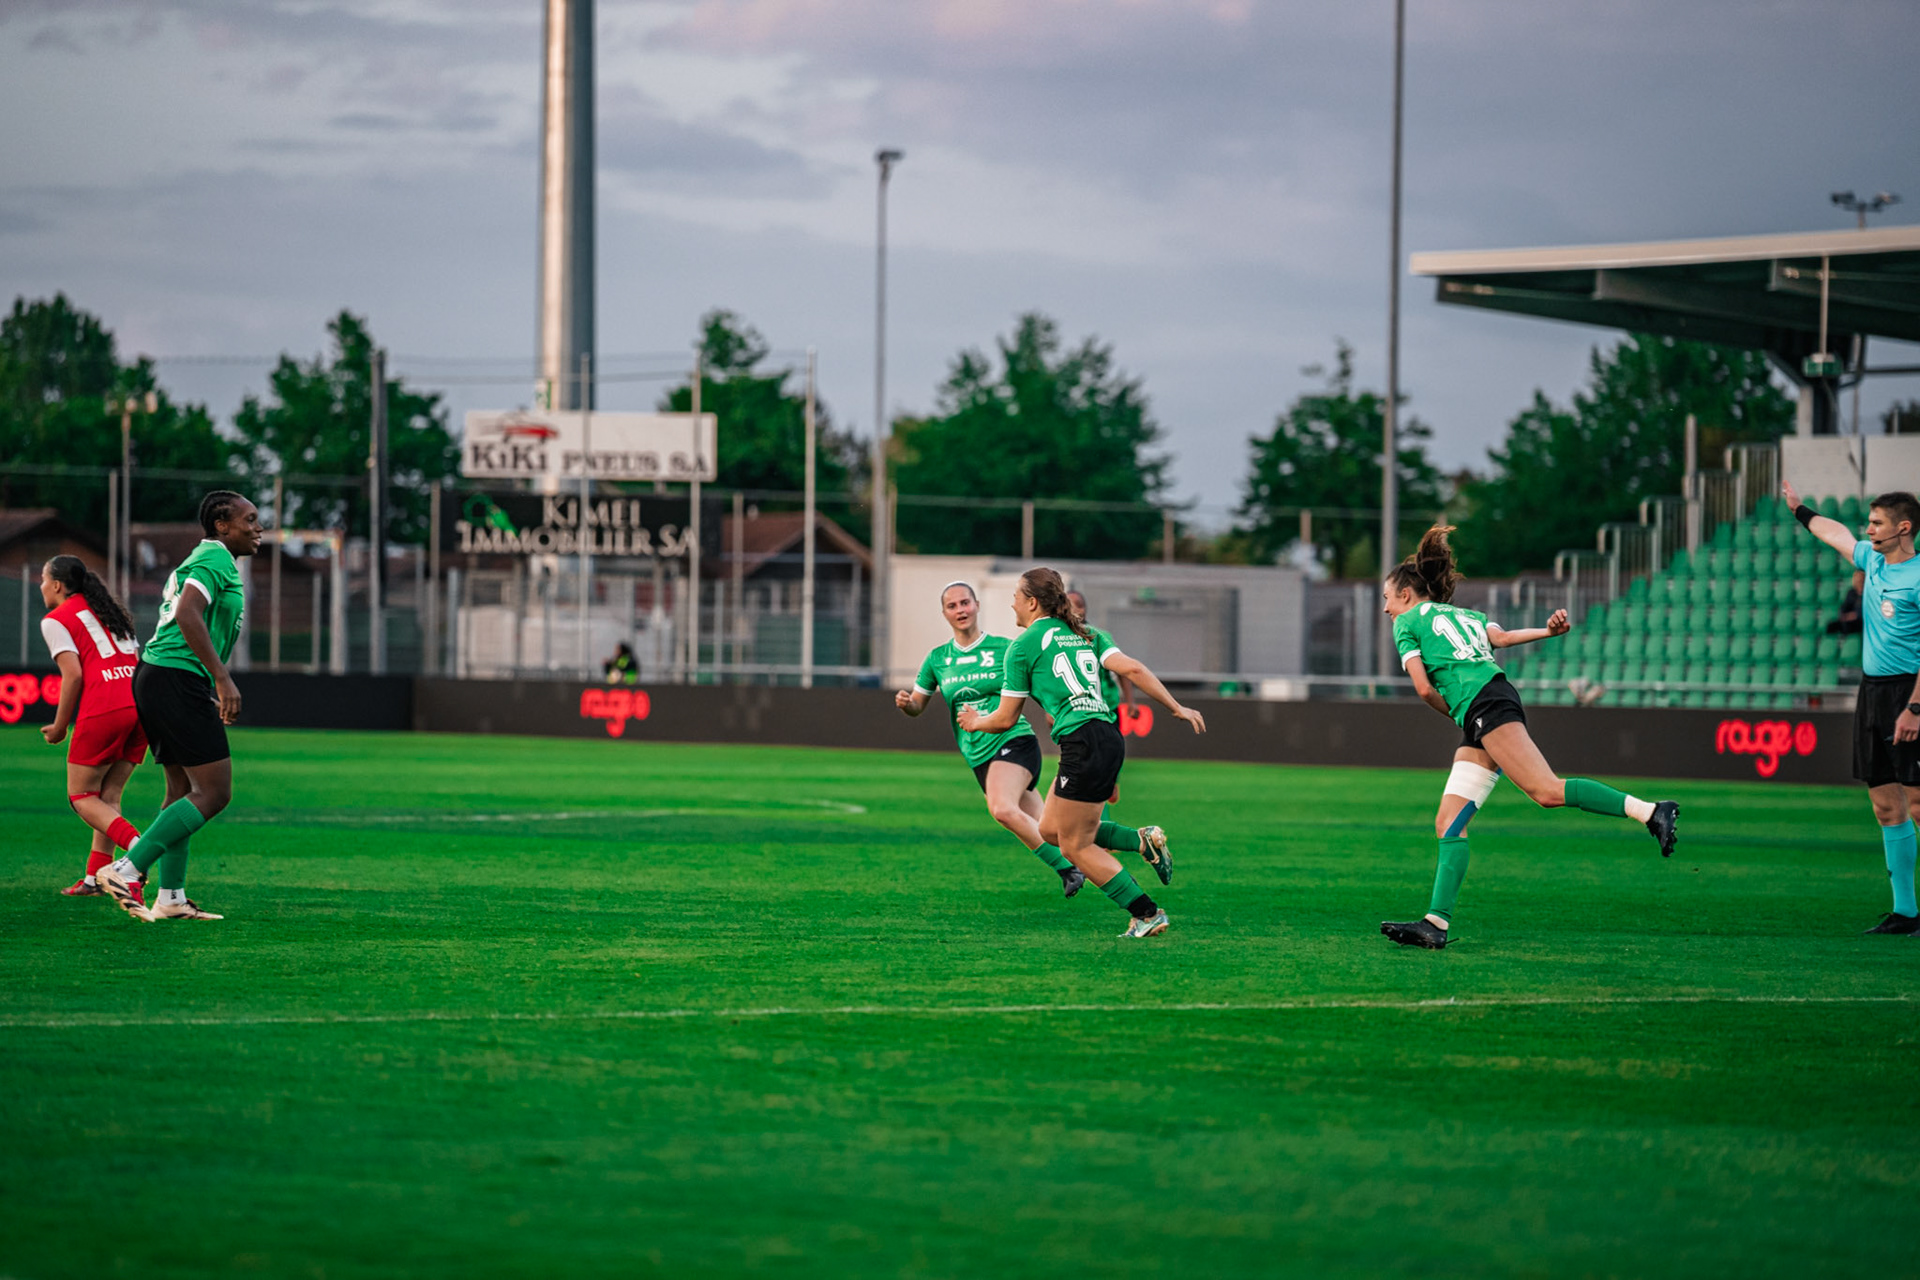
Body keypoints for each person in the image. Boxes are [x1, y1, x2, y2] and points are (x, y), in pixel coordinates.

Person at [1379, 525, 1679, 950]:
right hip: (1490, 703)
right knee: (1449, 821)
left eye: (1388, 598)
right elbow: (1500, 638)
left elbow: (1425, 689)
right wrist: (1547, 632)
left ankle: (1650, 811)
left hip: (1483, 707)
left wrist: (1462, 714)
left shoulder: (1407, 623)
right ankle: (1435, 924)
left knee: (1546, 791)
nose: (1386, 608)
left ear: (1406, 595)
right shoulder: (1464, 615)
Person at [959, 567, 1205, 938]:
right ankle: (1142, 840)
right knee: (1049, 829)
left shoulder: (1022, 647)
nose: (1012, 602)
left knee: (1076, 846)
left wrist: (976, 722)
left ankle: (1147, 913)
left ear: (1031, 601)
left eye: (1015, 595)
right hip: (1107, 735)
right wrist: (1175, 707)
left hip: (1082, 742)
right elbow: (1133, 668)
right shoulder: (1088, 634)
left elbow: (1006, 718)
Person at [96, 490, 263, 923]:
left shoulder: (210, 557)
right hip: (173, 675)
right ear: (222, 526)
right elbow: (188, 613)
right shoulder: (215, 558)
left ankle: (170, 897)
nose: (258, 527)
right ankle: (126, 869)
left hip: (165, 675)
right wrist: (222, 678)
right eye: (250, 518)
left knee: (180, 791)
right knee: (215, 791)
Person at [1782, 482, 1920, 934]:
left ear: (1903, 528)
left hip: (1911, 696)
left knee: (1919, 803)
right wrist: (1801, 510)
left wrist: (1914, 710)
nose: (1868, 530)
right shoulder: (1872, 559)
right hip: (1873, 693)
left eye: (1876, 523)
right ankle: (1905, 913)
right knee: (1886, 806)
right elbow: (1834, 533)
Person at [38, 555, 148, 903]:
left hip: (106, 708)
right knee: (108, 797)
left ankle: (140, 853)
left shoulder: (56, 618)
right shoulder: (108, 611)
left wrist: (59, 726)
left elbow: (74, 675)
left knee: (81, 797)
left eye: (43, 580)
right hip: (140, 705)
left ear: (57, 585)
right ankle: (94, 878)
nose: (41, 586)